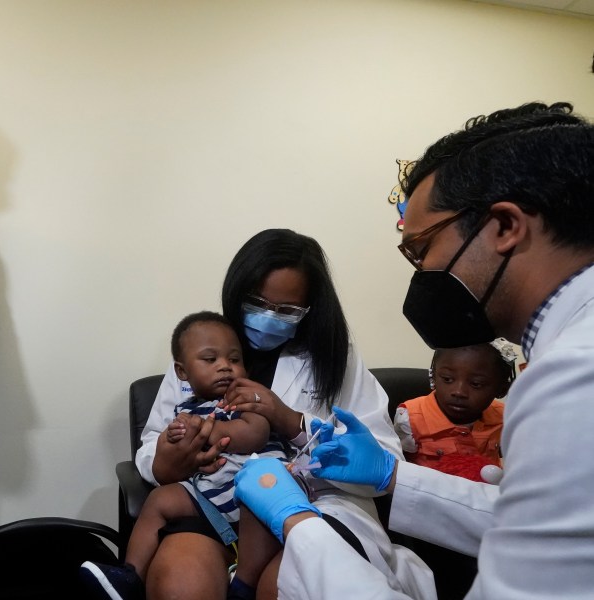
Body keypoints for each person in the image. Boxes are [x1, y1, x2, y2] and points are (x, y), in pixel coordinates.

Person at [234, 101, 594, 599]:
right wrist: (391, 478)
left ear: (506, 227)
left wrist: (301, 527)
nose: (419, 270)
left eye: (421, 248)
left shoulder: (574, 377)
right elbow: (541, 529)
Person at [134, 229, 434, 600]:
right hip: (212, 501)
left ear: (309, 309)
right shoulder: (203, 347)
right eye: (257, 303)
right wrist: (169, 458)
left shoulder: (335, 358)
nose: (269, 318)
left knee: (282, 584)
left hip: (314, 505)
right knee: (180, 583)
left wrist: (289, 421)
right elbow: (152, 444)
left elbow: (385, 461)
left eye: (287, 310)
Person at [82, 311, 290, 599]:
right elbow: (166, 450)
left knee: (265, 494)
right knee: (160, 499)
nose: (225, 367)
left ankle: (244, 583)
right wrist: (176, 439)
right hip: (210, 496)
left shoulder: (244, 397)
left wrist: (210, 429)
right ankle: (130, 575)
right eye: (210, 360)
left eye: (234, 359)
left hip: (256, 491)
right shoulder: (184, 408)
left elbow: (256, 433)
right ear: (182, 372)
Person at [394, 338, 516, 482]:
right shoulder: (410, 418)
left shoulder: (504, 417)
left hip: (485, 497)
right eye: (447, 379)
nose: (459, 392)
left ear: (502, 390)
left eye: (476, 384)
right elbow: (400, 469)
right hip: (431, 496)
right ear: (433, 375)